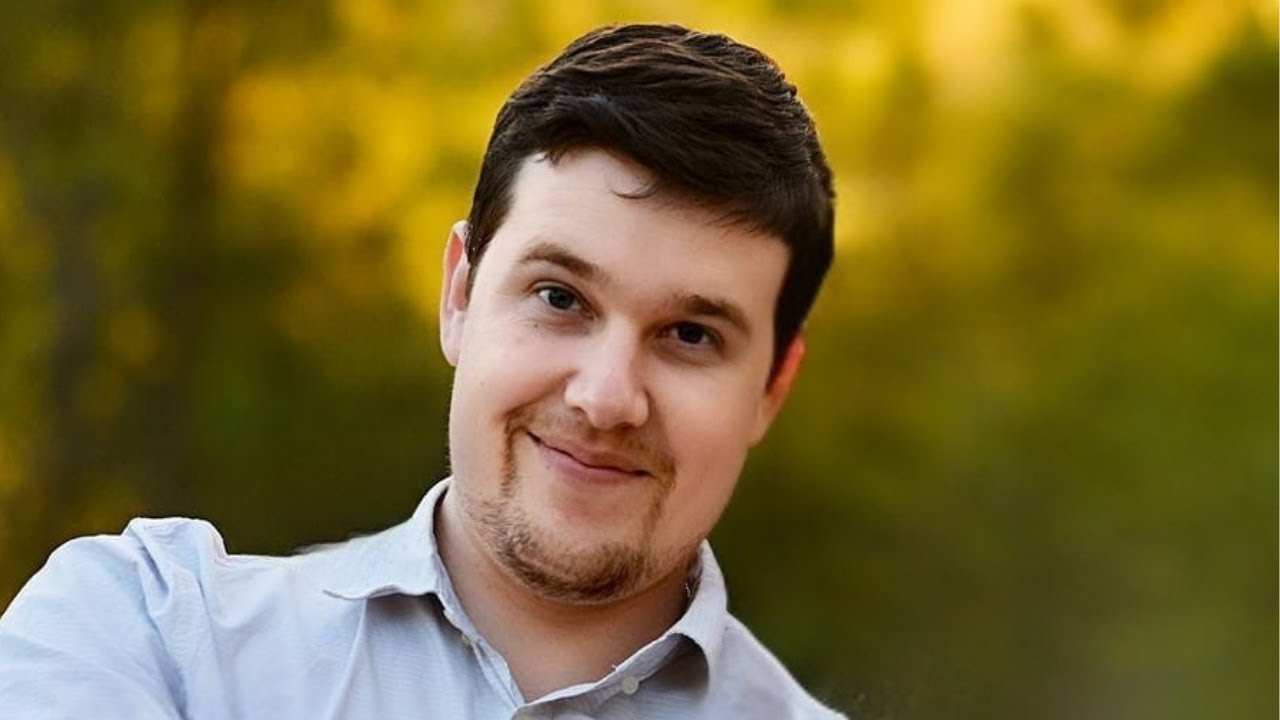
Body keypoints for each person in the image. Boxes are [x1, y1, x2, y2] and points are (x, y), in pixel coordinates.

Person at [0, 23, 842, 719]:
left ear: (772, 387)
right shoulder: (146, 633)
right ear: (459, 296)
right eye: (559, 297)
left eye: (690, 335)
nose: (605, 397)